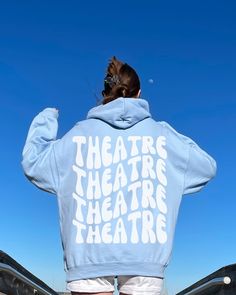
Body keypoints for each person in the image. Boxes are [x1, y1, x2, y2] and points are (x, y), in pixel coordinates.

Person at [22, 56, 217, 295]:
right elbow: (207, 167)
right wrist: (167, 134)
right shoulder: (162, 136)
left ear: (105, 93)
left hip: (87, 255)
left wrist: (46, 118)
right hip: (147, 257)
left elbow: (33, 163)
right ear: (140, 93)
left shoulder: (77, 136)